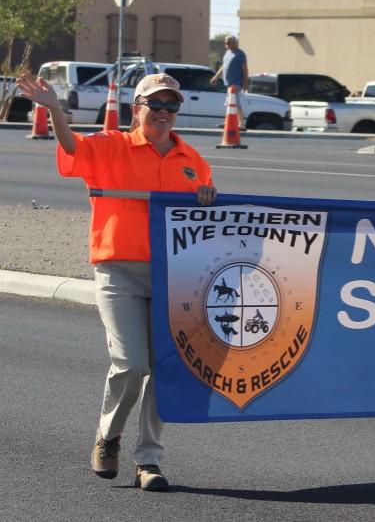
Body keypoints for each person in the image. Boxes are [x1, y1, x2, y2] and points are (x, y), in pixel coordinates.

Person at [16, 72, 217, 490]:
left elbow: (205, 217)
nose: (164, 113)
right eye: (155, 105)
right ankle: (108, 437)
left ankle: (149, 462)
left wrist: (207, 198)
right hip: (119, 270)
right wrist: (54, 108)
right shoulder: (112, 146)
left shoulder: (192, 160)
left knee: (164, 370)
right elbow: (72, 147)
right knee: (132, 363)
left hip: (173, 277)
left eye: (172, 106)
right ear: (137, 108)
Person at [210, 35, 249, 123]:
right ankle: (228, 122)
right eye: (225, 43)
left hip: (237, 82)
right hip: (229, 83)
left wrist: (245, 84)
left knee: (235, 102)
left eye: (228, 43)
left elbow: (245, 69)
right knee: (230, 102)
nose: (226, 45)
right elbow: (224, 66)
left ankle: (241, 124)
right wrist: (216, 77)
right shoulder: (227, 53)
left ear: (234, 43)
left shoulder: (240, 54)